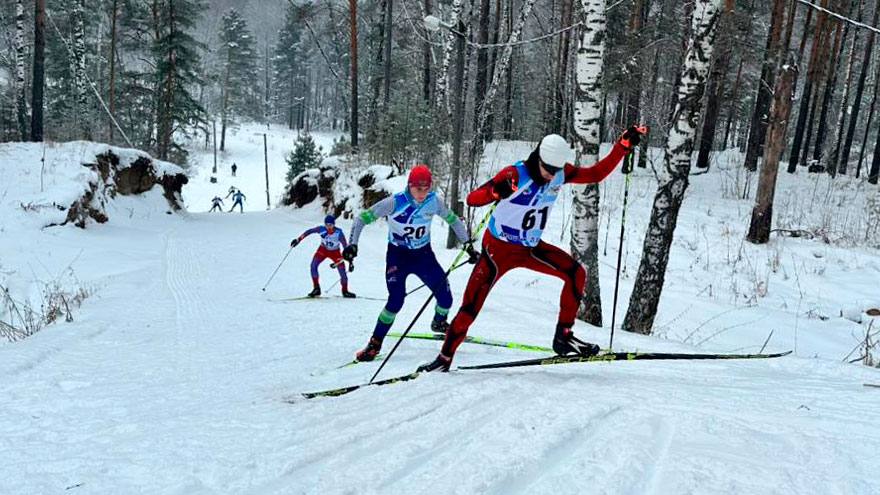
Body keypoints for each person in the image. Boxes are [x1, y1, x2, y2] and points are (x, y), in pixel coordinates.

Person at [418, 126, 648, 372]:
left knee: (576, 273)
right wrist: (496, 191)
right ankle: (444, 358)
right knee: (471, 306)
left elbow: (595, 174)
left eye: (556, 171)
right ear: (538, 156)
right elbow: (473, 198)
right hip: (498, 250)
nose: (551, 176)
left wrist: (622, 147)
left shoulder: (560, 172)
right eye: (548, 170)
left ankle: (563, 336)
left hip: (530, 248)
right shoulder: (515, 175)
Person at [343, 164, 479, 362]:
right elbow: (361, 219)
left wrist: (467, 244)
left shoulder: (434, 202)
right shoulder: (394, 202)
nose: (422, 193)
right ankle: (375, 343)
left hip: (423, 256)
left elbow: (454, 220)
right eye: (418, 188)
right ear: (409, 186)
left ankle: (439, 322)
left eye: (426, 188)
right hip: (398, 257)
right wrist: (352, 245)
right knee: (396, 300)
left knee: (446, 297)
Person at [291, 215, 356, 298]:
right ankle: (316, 289)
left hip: (335, 253)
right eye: (327, 225)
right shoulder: (321, 229)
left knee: (342, 273)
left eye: (331, 225)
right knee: (313, 266)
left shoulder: (338, 233)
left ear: (334, 225)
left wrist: (350, 262)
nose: (328, 227)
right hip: (323, 250)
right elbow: (309, 232)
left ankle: (345, 291)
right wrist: (298, 240)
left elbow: (346, 248)